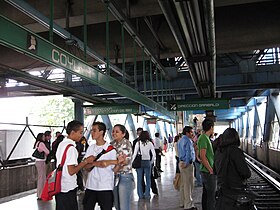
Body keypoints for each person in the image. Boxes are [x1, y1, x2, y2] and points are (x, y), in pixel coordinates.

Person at [83, 122, 125, 210]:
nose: (92, 133)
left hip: (105, 186)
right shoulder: (90, 148)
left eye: (94, 130)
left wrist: (119, 163)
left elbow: (114, 170)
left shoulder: (111, 150)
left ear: (102, 132)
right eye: (91, 130)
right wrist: (101, 163)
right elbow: (86, 167)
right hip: (91, 185)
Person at [55, 120, 94, 210]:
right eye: (80, 132)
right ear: (72, 132)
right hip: (68, 187)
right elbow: (71, 171)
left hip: (60, 185)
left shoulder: (62, 144)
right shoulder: (71, 149)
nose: (81, 135)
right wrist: (85, 162)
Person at [215, 128, 251, 210]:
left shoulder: (219, 151)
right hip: (235, 195)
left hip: (222, 194)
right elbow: (246, 173)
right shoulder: (235, 151)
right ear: (236, 138)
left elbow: (215, 171)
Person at [111, 124, 134, 210]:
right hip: (115, 177)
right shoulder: (111, 144)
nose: (114, 133)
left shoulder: (126, 143)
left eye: (117, 132)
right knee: (117, 205)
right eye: (113, 131)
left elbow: (125, 161)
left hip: (125, 176)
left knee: (124, 206)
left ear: (123, 134)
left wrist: (114, 164)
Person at [197, 119, 216, 210]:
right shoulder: (204, 138)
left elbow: (198, 151)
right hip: (207, 172)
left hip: (206, 170)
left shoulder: (204, 138)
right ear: (211, 127)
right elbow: (203, 156)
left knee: (206, 194)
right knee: (211, 197)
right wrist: (211, 170)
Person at [132, 131, 155, 200]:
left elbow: (134, 154)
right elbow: (154, 154)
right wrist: (151, 162)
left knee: (139, 179)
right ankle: (147, 194)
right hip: (147, 162)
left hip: (139, 162)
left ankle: (140, 195)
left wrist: (131, 163)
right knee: (148, 179)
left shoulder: (138, 143)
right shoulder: (150, 143)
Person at [178, 126, 197, 210]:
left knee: (183, 184)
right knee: (188, 184)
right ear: (187, 133)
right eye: (191, 132)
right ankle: (189, 205)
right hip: (187, 164)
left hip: (181, 162)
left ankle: (182, 202)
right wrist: (187, 163)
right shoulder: (188, 141)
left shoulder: (180, 140)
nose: (192, 134)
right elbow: (188, 152)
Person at [33, 133, 50, 200]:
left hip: (37, 162)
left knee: (41, 177)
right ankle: (41, 194)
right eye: (43, 137)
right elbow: (47, 151)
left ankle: (40, 193)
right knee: (42, 178)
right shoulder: (41, 144)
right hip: (41, 162)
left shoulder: (37, 143)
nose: (44, 138)